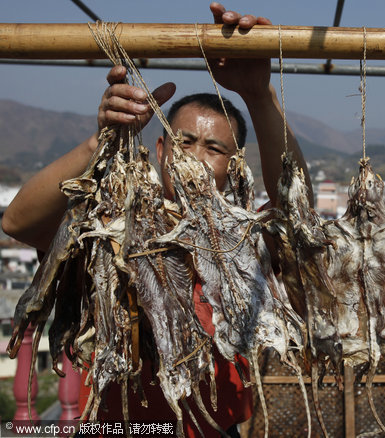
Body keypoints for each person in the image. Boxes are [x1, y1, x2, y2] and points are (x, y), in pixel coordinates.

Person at [1, 3, 311, 437]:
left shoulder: (247, 239)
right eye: (184, 141)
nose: (196, 157)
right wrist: (101, 138)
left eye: (214, 148)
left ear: (236, 164)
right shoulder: (115, 228)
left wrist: (260, 93)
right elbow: (18, 222)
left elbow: (296, 216)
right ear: (161, 151)